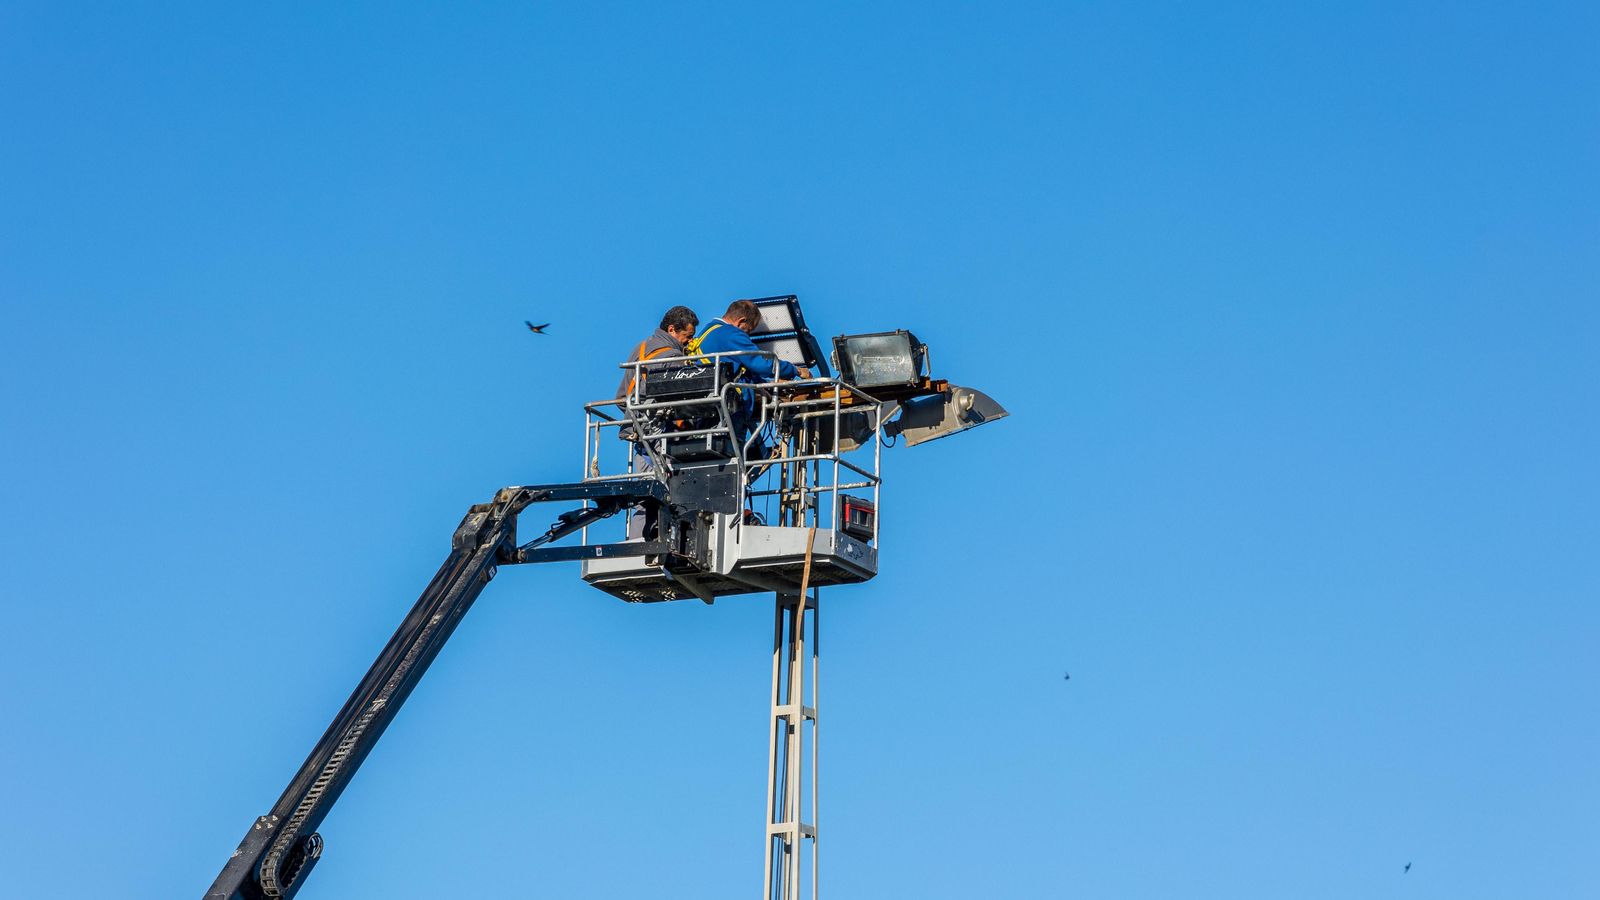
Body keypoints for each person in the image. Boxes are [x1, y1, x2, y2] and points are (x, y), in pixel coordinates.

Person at [685, 300, 811, 464]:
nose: (748, 336)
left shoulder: (709, 331)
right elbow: (762, 362)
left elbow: (736, 366)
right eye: (748, 331)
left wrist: (759, 386)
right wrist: (796, 370)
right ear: (741, 321)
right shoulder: (730, 333)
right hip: (729, 410)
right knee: (733, 461)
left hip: (708, 407)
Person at [616, 305, 698, 538]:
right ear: (672, 329)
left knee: (646, 496)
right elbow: (683, 401)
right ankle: (663, 543)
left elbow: (621, 397)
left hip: (639, 434)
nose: (688, 342)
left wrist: (636, 417)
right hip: (662, 438)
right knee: (670, 493)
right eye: (687, 337)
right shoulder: (673, 357)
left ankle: (636, 545)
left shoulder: (640, 349)